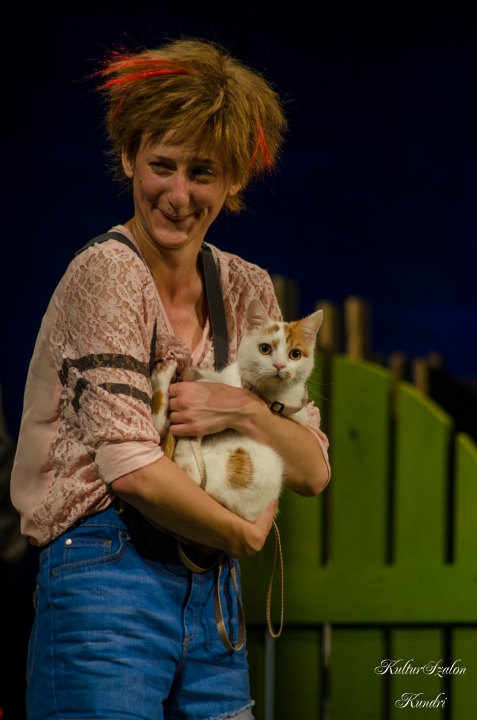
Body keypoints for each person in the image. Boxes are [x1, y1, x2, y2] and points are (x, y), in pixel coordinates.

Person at [11, 39, 330, 720]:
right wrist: (241, 534)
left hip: (213, 601)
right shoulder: (107, 272)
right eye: (162, 165)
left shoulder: (244, 287)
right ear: (129, 157)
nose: (178, 194)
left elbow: (311, 468)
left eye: (202, 172)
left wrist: (240, 409)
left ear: (233, 179)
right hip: (106, 579)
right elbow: (130, 469)